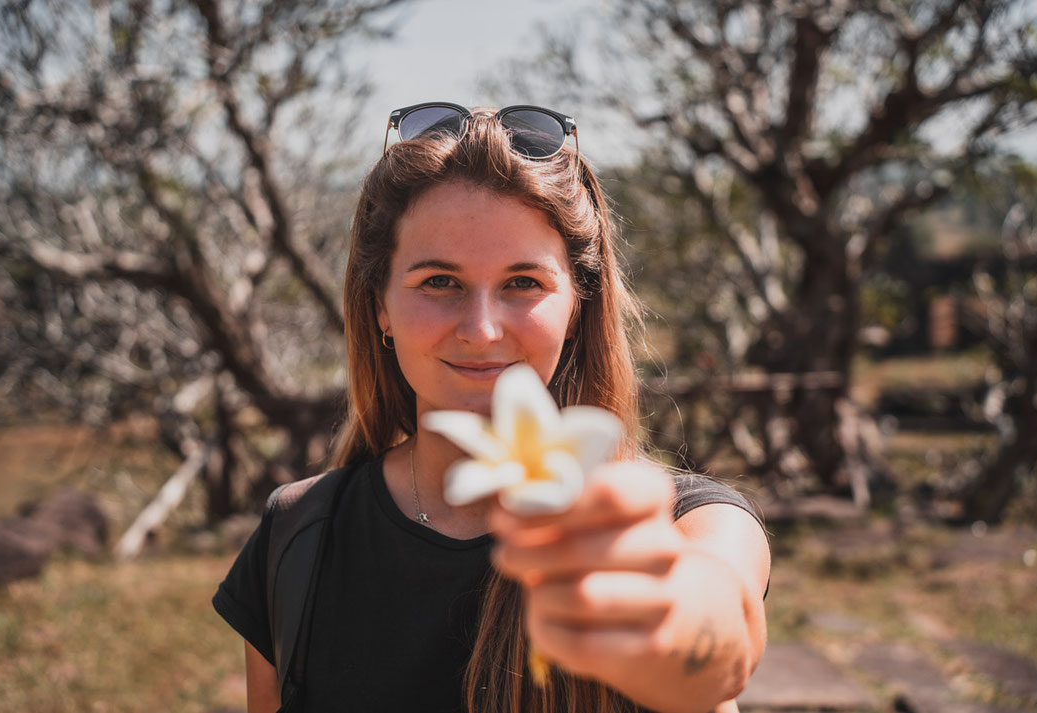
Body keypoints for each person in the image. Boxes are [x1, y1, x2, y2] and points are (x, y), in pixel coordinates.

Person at [213, 102, 770, 713]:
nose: (481, 330)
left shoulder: (687, 522)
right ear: (379, 306)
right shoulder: (297, 537)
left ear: (577, 305)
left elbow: (722, 641)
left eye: (523, 283)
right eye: (439, 282)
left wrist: (673, 629)